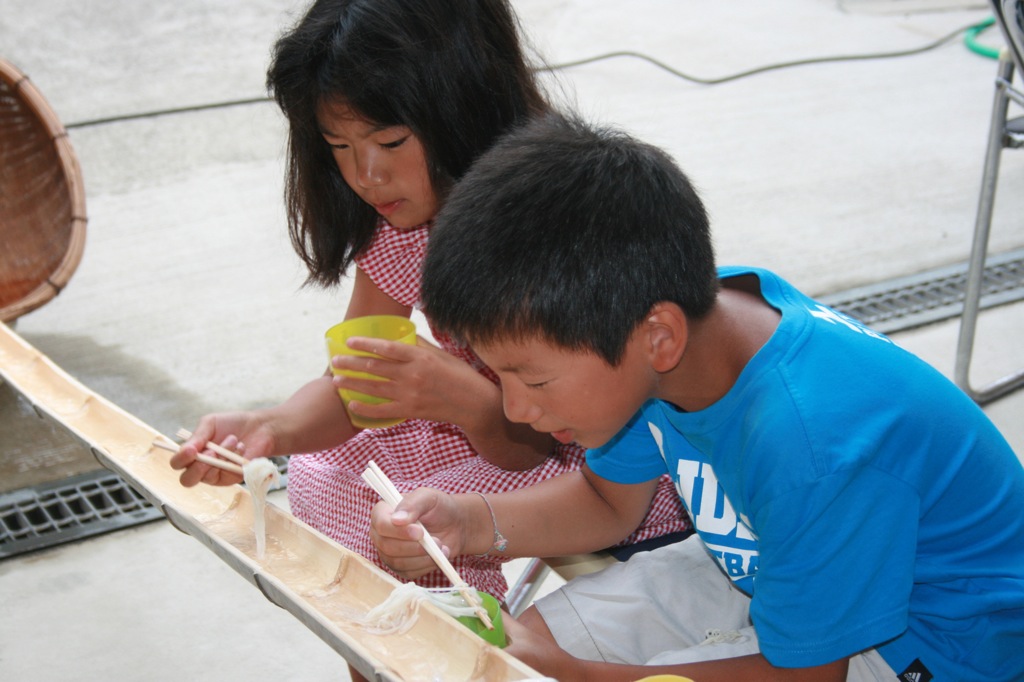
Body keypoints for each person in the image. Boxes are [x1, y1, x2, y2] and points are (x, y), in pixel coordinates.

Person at [370, 113, 1024, 681]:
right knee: (517, 650)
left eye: (534, 381)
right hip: (772, 560)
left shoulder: (811, 448)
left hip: (929, 645)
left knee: (552, 666)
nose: (515, 410)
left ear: (659, 337)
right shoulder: (672, 330)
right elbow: (608, 502)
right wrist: (468, 523)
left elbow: (805, 676)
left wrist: (582, 676)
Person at [168, 0, 690, 601]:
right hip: (504, 432)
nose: (366, 175)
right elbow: (355, 385)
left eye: (390, 140)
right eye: (338, 145)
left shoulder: (554, 224)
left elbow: (546, 435)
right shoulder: (403, 226)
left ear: (465, 106)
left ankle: (454, 639)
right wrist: (269, 428)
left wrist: (472, 403)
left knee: (414, 520)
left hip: (603, 466)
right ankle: (401, 638)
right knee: (328, 472)